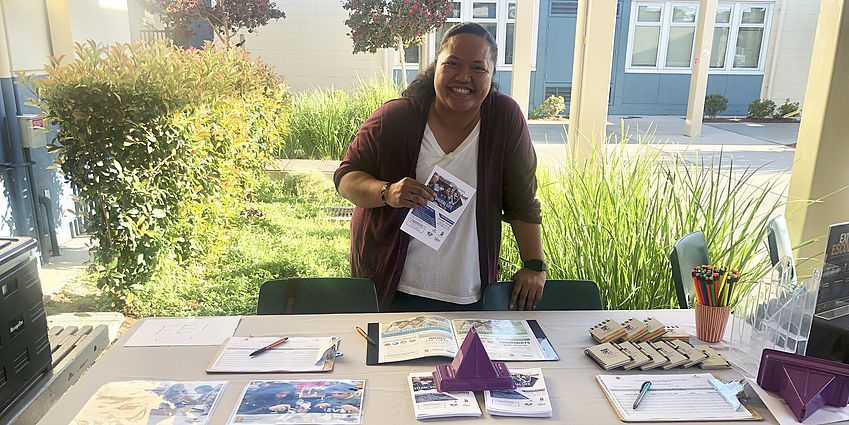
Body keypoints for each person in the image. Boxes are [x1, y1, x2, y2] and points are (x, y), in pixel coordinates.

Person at [334, 22, 546, 312]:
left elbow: (522, 200)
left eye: (478, 68)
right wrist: (387, 192)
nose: (463, 77)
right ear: (436, 67)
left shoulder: (503, 120)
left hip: (469, 292)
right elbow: (346, 177)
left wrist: (534, 265)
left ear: (492, 73)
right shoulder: (395, 117)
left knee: (465, 359)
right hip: (391, 288)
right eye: (453, 64)